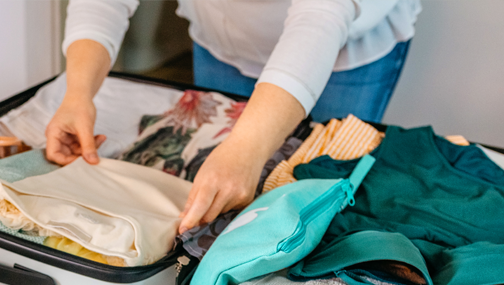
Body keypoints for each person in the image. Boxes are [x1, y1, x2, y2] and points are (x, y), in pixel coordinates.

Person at [45, 0, 420, 233]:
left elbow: (322, 15)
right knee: (224, 186)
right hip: (222, 36)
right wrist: (77, 93)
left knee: (321, 195)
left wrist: (246, 148)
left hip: (341, 50)